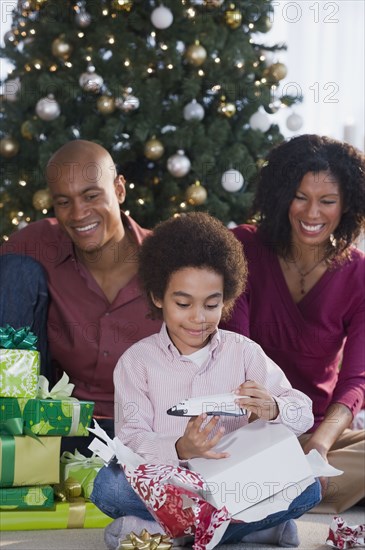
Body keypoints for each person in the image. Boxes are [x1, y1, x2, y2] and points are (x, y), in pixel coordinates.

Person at [90, 212, 321, 550]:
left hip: (235, 483)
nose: (198, 318)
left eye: (211, 304)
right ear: (158, 296)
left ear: (225, 299)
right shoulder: (136, 362)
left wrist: (273, 408)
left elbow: (304, 414)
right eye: (183, 303)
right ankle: (253, 530)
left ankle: (171, 534)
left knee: (309, 485)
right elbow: (131, 439)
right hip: (171, 484)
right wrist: (180, 449)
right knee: (107, 487)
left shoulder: (243, 353)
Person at [221, 134, 365, 514]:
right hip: (250, 424)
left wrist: (320, 443)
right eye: (300, 196)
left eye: (327, 201)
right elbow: (238, 353)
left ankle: (278, 490)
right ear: (282, 194)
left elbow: (356, 381)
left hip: (317, 431)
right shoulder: (243, 248)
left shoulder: (359, 273)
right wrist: (269, 428)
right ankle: (290, 489)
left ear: (347, 204)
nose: (312, 213)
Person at [0, 140, 161, 451]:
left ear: (119, 190)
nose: (78, 213)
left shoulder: (169, 260)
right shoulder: (36, 244)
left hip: (142, 431)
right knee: (15, 272)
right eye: (63, 202)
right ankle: (9, 437)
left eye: (91, 196)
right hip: (50, 422)